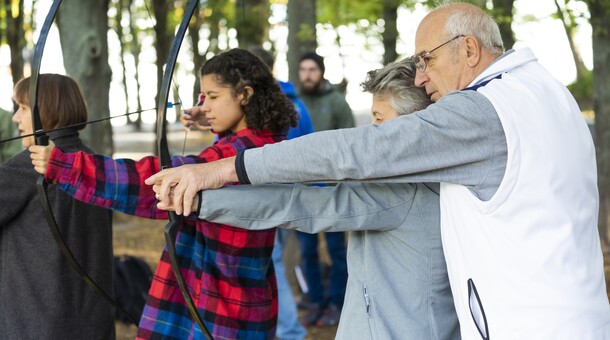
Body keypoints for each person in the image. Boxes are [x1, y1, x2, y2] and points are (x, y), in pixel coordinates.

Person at [146, 2, 610, 339]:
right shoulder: (542, 92)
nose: (423, 76)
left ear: (469, 49)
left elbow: (349, 160)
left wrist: (220, 173)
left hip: (531, 324)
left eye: (427, 59)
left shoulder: (483, 112)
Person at [164, 57, 461, 339]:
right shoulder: (420, 177)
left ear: (414, 124)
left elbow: (298, 204)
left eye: (379, 119)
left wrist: (204, 201)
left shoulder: (404, 193)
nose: (371, 131)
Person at [30, 49, 298, 339]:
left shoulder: (234, 153)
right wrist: (220, 120)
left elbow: (153, 183)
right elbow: (238, 150)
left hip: (218, 306)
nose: (204, 105)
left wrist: (65, 166)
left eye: (213, 96)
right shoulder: (266, 142)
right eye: (202, 97)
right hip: (243, 299)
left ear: (245, 95)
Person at [0, 74, 114, 339]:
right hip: (91, 323)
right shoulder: (95, 161)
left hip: (36, 325)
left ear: (46, 111)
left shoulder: (30, 165)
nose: (16, 118)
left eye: (24, 108)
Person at [248, 46, 311, 340]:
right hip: (277, 198)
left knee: (270, 266)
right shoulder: (291, 103)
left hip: (272, 200)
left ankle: (288, 331)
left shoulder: (275, 106)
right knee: (271, 267)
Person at [294, 51, 353, 326]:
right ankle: (316, 301)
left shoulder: (337, 102)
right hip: (300, 192)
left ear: (321, 72)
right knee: (307, 252)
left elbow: (350, 143)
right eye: (303, 69)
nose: (307, 74)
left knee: (336, 251)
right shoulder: (293, 104)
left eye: (312, 69)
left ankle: (337, 303)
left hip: (331, 192)